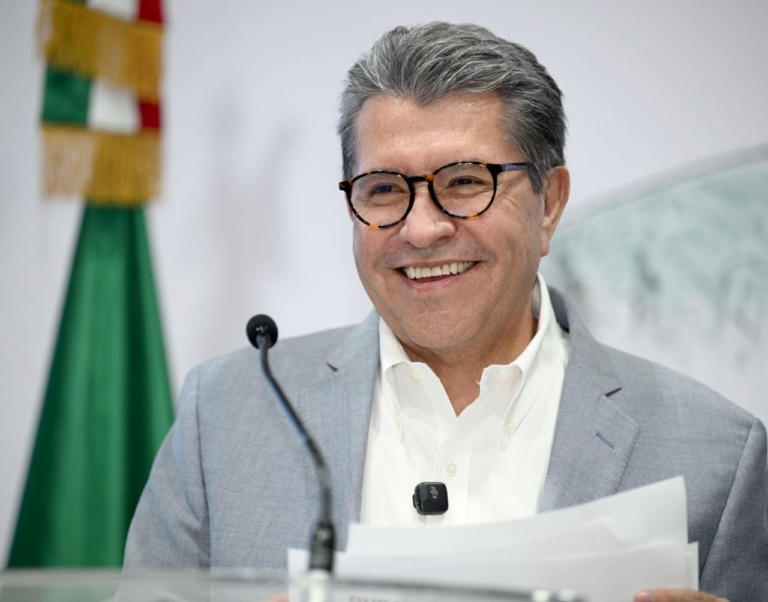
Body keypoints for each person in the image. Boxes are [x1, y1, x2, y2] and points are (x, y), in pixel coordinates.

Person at [124, 22, 767, 602]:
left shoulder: (716, 454)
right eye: (384, 189)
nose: (422, 229)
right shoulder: (226, 414)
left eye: (464, 182)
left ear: (548, 203)